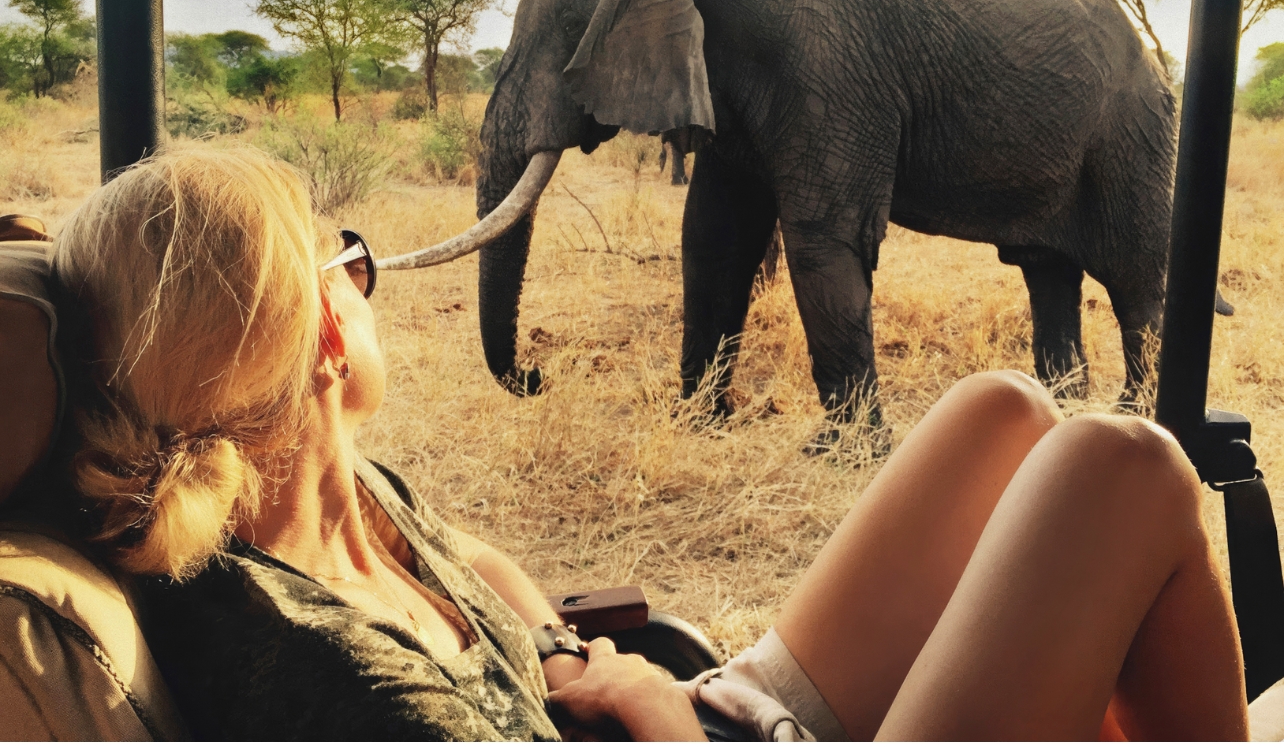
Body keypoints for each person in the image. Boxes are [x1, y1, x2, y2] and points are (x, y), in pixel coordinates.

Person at [50, 146, 1248, 740]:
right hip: (678, 731)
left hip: (692, 707)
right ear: (323, 329)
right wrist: (658, 715)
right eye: (345, 265)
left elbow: (477, 566)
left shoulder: (317, 493)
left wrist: (574, 651)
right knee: (1127, 468)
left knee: (1003, 409)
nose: (362, 280)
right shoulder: (325, 673)